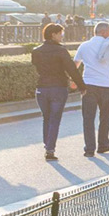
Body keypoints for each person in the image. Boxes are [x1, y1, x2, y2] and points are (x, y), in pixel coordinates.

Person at [30, 21, 81, 160]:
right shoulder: (61, 50)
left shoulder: (36, 51)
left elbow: (37, 68)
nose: (62, 36)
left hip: (41, 88)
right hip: (58, 88)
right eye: (60, 34)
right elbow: (72, 69)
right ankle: (50, 149)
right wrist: (82, 87)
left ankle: (47, 144)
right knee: (55, 118)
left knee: (46, 117)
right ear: (53, 35)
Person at [74, 20, 109, 157]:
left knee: (88, 118)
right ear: (104, 32)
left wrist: (74, 81)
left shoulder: (84, 46)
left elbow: (75, 65)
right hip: (108, 85)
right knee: (105, 117)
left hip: (88, 85)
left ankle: (89, 149)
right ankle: (103, 145)